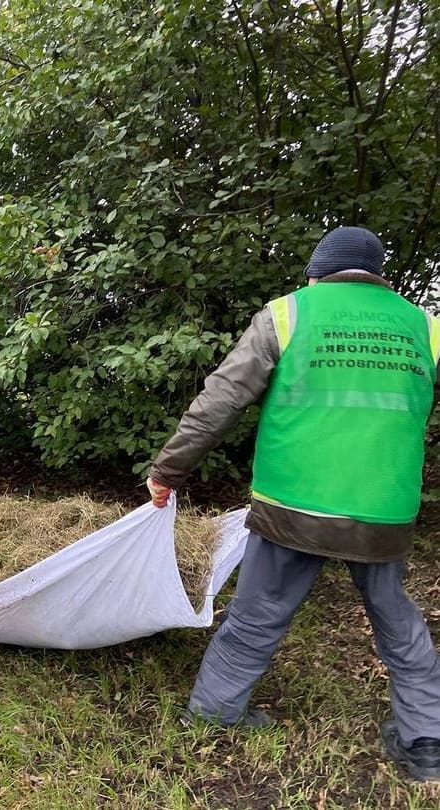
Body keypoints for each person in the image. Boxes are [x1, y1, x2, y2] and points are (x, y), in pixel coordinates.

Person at [146, 225, 440, 782]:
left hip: (292, 506)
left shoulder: (287, 314)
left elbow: (219, 401)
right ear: (380, 275)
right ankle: (426, 743)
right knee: (398, 622)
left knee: (257, 615)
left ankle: (214, 713)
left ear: (316, 272)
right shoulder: (425, 327)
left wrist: (168, 471)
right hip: (383, 511)